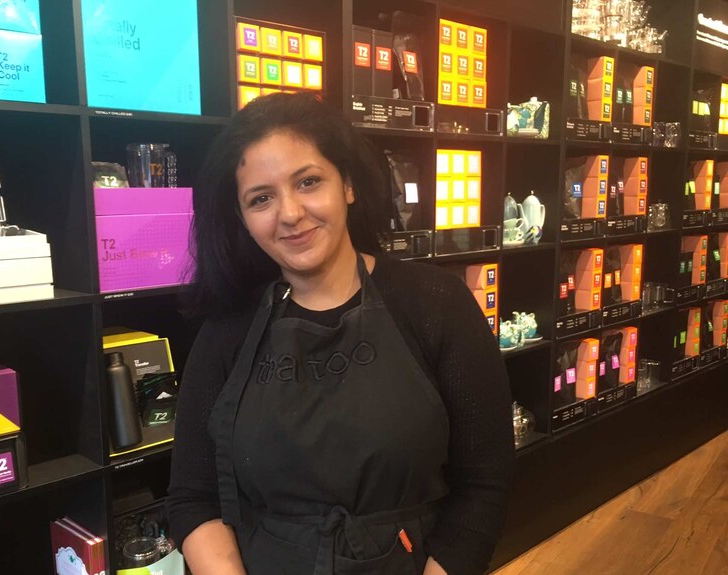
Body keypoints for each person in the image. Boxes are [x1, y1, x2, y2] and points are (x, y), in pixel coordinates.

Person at [167, 93, 514, 575]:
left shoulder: (437, 305)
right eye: (261, 198)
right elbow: (193, 497)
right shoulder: (227, 330)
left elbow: (484, 484)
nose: (289, 213)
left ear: (347, 184)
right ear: (242, 219)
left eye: (308, 182)